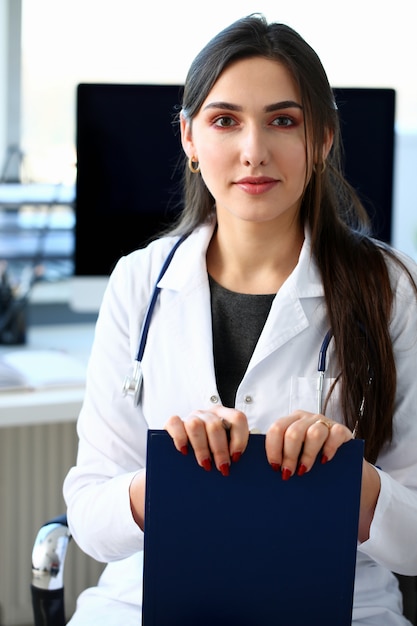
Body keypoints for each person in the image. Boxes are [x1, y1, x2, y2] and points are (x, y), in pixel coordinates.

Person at [63, 13, 417, 625]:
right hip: (143, 601)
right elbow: (91, 519)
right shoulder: (138, 283)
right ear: (189, 140)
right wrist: (167, 483)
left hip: (339, 606)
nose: (254, 152)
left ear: (324, 139)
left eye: (284, 121)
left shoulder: (393, 289)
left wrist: (346, 483)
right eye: (225, 120)